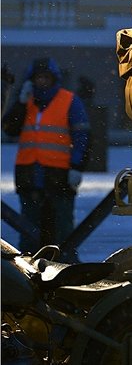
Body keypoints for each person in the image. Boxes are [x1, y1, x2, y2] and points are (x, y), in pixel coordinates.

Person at [2, 57, 90, 260]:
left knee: (62, 230)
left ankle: (65, 267)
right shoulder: (26, 102)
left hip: (59, 177)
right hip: (29, 176)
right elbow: (9, 129)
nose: (42, 81)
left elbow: (82, 136)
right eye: (38, 77)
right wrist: (21, 104)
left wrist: (77, 166)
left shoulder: (68, 100)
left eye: (45, 77)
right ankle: (28, 270)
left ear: (54, 79)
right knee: (29, 231)